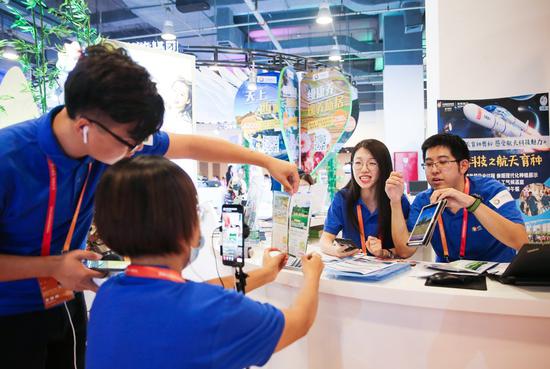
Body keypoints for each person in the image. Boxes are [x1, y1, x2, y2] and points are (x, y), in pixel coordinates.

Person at [0, 43, 299, 369]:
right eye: (131, 143)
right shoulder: (8, 159)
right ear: (84, 126)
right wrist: (52, 267)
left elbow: (190, 145)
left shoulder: (110, 138)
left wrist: (265, 161)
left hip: (66, 301)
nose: (136, 151)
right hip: (9, 313)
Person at [86, 156, 324, 369]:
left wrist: (266, 274)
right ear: (188, 225)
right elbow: (299, 321)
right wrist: (312, 276)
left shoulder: (109, 293)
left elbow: (203, 292)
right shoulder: (214, 311)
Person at [386, 133, 528, 262]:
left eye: (443, 162)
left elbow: (520, 241)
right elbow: (406, 251)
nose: (434, 170)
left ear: (463, 165)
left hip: (495, 275)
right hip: (448, 275)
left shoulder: (491, 191)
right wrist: (395, 200)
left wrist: (471, 203)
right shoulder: (424, 201)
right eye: (429, 164)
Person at [320, 139, 410, 258]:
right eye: (358, 163)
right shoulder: (343, 198)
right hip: (354, 269)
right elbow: (325, 240)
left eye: (372, 163)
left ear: (383, 167)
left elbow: (405, 249)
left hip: (388, 270)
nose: (364, 169)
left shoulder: (397, 199)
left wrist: (384, 252)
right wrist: (335, 251)